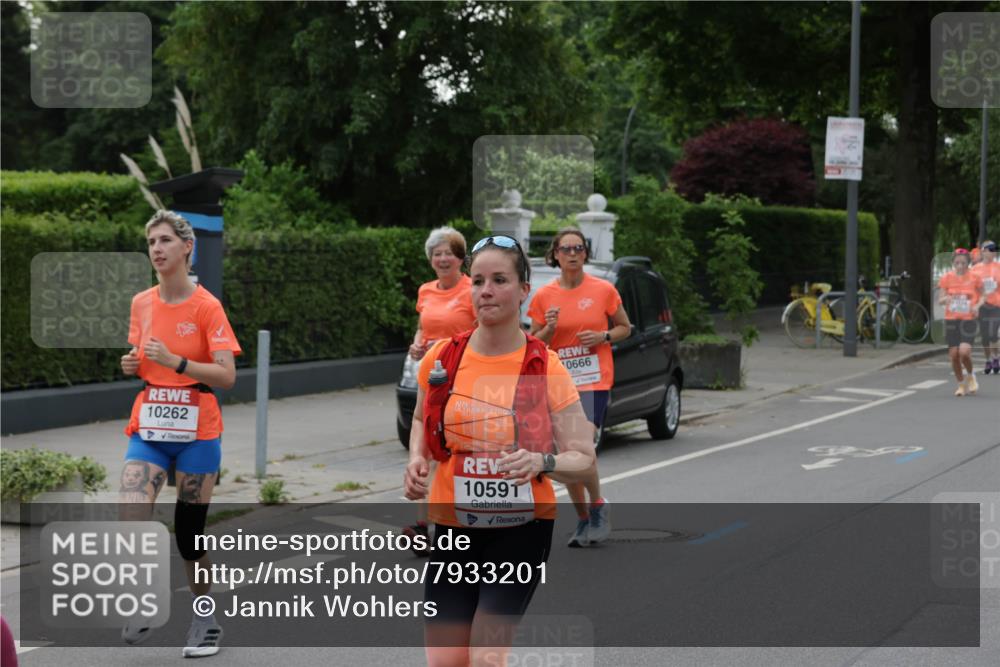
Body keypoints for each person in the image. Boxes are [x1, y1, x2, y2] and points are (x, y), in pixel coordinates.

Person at [403, 235, 596, 667]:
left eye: (499, 280)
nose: (485, 290)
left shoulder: (544, 365)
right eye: (477, 280)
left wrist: (541, 461)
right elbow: (419, 418)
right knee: (446, 660)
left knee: (486, 654)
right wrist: (417, 458)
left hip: (521, 530)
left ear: (524, 290)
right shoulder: (442, 357)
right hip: (453, 526)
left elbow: (583, 457)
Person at [118, 210, 241, 657]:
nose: (156, 248)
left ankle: (205, 619)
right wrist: (133, 364)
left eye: (166, 240)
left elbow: (227, 376)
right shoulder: (142, 303)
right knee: (131, 516)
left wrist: (178, 363)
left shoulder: (207, 306)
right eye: (151, 241)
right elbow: (141, 356)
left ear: (187, 248)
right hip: (150, 422)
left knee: (189, 535)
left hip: (198, 429)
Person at [527, 227, 631, 547]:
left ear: (585, 253)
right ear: (555, 255)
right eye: (565, 249)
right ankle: (584, 517)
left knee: (581, 444)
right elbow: (534, 343)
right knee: (569, 452)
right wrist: (550, 327)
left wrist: (603, 337)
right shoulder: (544, 296)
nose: (572, 254)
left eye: (578, 248)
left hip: (593, 380)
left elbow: (625, 328)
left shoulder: (603, 290)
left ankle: (597, 505)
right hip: (558, 381)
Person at [404, 227, 476, 553]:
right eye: (437, 253)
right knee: (428, 449)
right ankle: (422, 525)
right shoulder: (425, 291)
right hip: (431, 376)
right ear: (431, 260)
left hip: (465, 376)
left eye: (449, 252)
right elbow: (424, 327)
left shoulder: (471, 290)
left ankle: (461, 521)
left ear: (461, 258)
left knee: (456, 450)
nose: (443, 258)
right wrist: (418, 346)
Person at [937, 248, 983, 396]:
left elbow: (983, 296)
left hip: (968, 319)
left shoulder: (975, 277)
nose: (960, 266)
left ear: (968, 263)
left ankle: (970, 375)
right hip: (951, 320)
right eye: (957, 263)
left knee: (964, 352)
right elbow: (940, 299)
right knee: (954, 354)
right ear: (953, 263)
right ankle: (961, 385)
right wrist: (946, 299)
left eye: (963, 263)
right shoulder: (946, 278)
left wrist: (977, 306)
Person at [970, 240, 1000, 374]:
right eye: (991, 249)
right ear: (983, 251)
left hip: (996, 304)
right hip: (981, 305)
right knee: (985, 336)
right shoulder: (975, 269)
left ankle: (996, 358)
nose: (994, 252)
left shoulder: (998, 267)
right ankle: (988, 360)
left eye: (995, 250)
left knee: (993, 333)